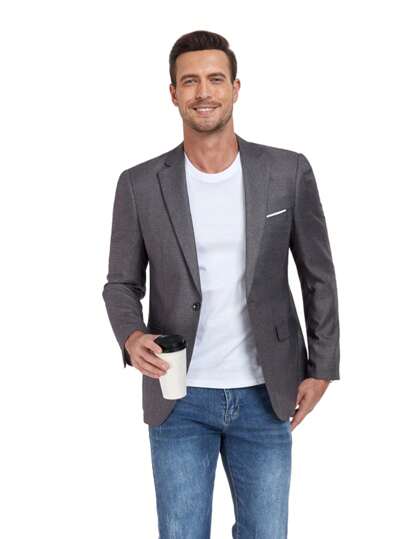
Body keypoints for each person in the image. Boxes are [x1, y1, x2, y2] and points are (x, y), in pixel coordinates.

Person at [102, 29, 340, 539]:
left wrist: (323, 367)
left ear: (235, 88)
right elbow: (120, 283)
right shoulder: (140, 184)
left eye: (215, 79)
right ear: (173, 94)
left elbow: (318, 276)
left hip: (266, 393)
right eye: (190, 81)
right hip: (178, 397)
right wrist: (131, 335)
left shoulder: (287, 171)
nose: (203, 92)